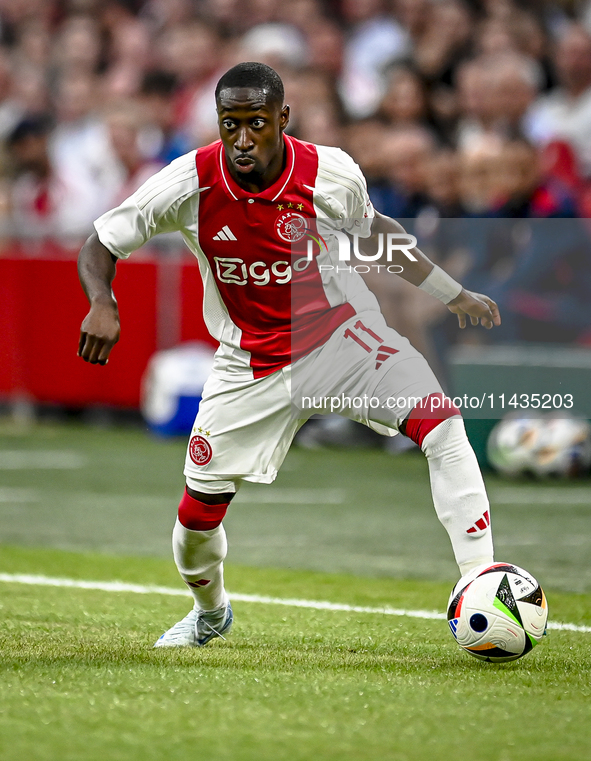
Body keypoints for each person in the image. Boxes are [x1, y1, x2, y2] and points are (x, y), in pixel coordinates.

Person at [77, 62, 500, 648]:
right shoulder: (188, 182)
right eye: (230, 125)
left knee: (441, 421)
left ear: (283, 118)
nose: (242, 139)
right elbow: (101, 241)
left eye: (256, 123)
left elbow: (377, 233)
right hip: (246, 363)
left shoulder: (331, 174)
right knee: (195, 523)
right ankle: (210, 612)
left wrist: (453, 295)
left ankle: (482, 582)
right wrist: (104, 301)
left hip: (338, 341)